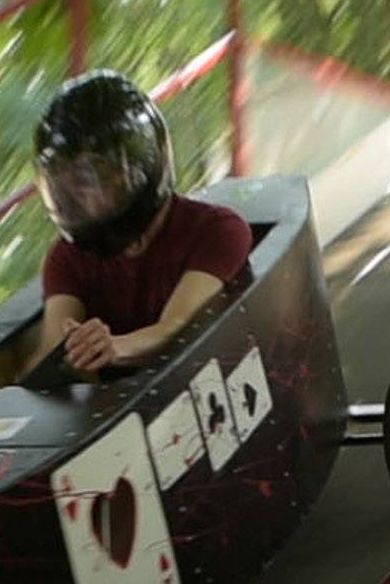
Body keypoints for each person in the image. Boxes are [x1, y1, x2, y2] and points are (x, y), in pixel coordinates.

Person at [35, 70, 253, 381]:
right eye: (65, 180)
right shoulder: (66, 258)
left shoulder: (218, 231)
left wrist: (113, 347)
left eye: (90, 175)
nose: (76, 195)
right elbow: (55, 353)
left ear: (136, 169)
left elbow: (178, 326)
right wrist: (75, 353)